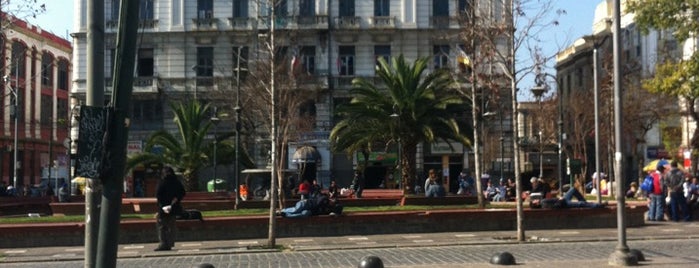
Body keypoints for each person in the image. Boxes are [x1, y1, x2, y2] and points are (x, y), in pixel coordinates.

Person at [154, 166, 186, 251]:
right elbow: (183, 192)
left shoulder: (162, 181)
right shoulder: (176, 182)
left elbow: (158, 194)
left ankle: (163, 244)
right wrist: (177, 198)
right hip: (173, 206)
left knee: (162, 226)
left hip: (163, 207)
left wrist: (163, 205)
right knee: (171, 225)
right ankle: (170, 242)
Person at [277, 194, 343, 218]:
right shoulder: (324, 198)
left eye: (333, 203)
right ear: (331, 199)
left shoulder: (329, 208)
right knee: (296, 210)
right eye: (332, 201)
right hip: (306, 203)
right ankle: (281, 211)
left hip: (310, 211)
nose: (332, 203)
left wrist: (333, 213)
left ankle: (286, 215)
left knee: (303, 214)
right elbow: (318, 203)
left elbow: (335, 213)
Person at [542, 186, 606, 209]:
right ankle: (598, 205)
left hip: (563, 199)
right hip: (564, 204)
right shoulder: (544, 205)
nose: (535, 200)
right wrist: (560, 200)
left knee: (573, 189)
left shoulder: (542, 201)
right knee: (580, 203)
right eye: (534, 202)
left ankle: (586, 203)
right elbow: (556, 206)